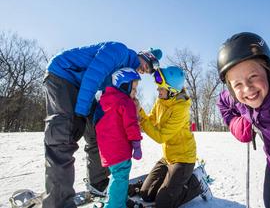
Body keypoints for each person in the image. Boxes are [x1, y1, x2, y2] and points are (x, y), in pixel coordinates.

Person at [43, 41, 162, 208]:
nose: (146, 70)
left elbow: (110, 99)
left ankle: (98, 182)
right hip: (63, 75)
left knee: (98, 132)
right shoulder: (119, 51)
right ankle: (58, 203)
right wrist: (80, 113)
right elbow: (93, 76)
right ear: (143, 56)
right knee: (63, 138)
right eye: (147, 65)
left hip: (83, 88)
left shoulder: (124, 74)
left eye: (150, 71)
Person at [216, 32, 270, 208]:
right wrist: (234, 122)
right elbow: (221, 102)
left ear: (268, 71)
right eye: (237, 84)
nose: (247, 88)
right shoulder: (237, 99)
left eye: (253, 76)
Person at [136, 66, 212, 208]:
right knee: (146, 194)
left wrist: (141, 117)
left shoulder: (181, 108)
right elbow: (151, 120)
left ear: (172, 91)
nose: (158, 91)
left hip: (183, 160)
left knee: (163, 203)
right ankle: (171, 181)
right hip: (168, 158)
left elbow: (161, 136)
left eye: (161, 88)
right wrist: (139, 111)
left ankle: (196, 182)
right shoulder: (161, 101)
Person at [95, 67, 143, 208]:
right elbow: (131, 125)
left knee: (116, 176)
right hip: (119, 149)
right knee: (121, 177)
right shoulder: (125, 101)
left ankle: (112, 201)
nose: (134, 93)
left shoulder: (104, 100)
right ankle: (115, 205)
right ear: (124, 85)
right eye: (133, 89)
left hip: (106, 150)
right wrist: (136, 145)